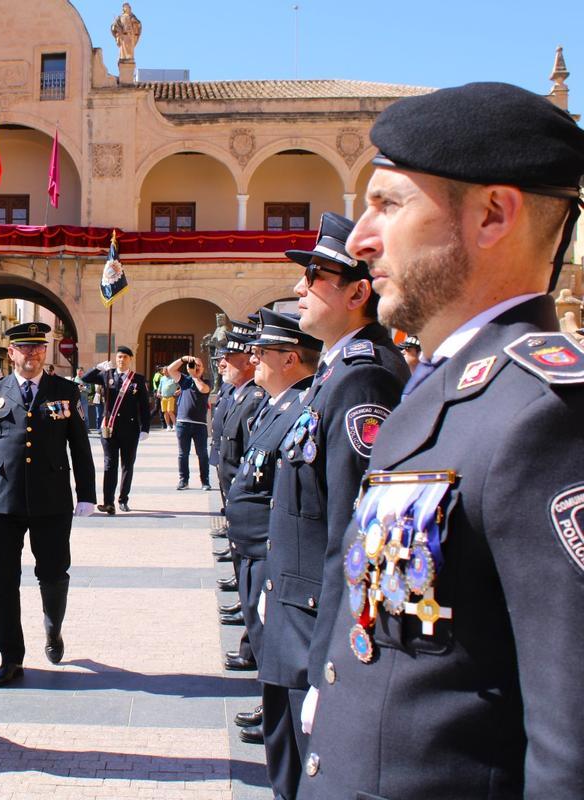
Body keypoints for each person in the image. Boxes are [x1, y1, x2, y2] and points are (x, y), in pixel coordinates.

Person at [299, 83, 584, 799]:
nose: (361, 240)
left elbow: (571, 746)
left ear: (492, 214)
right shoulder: (442, 386)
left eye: (389, 204)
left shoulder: (544, 416)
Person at [259, 213, 408, 800]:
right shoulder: (335, 372)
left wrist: (331, 666)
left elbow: (355, 534)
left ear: (357, 292)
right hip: (296, 620)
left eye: (315, 277)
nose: (300, 288)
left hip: (315, 635)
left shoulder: (362, 381)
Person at [0, 322, 96, 687]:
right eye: (24, 348)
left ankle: (52, 627)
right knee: (2, 580)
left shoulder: (65, 391)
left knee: (54, 573)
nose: (31, 354)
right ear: (10, 352)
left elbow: (80, 445)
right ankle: (10, 656)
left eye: (37, 348)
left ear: (45, 352)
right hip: (1, 501)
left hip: (52, 499)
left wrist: (87, 493)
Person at [224, 309, 322, 747]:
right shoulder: (276, 405)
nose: (253, 357)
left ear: (291, 359)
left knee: (273, 648)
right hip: (251, 549)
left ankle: (276, 717)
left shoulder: (302, 407)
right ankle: (271, 709)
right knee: (265, 646)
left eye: (263, 351)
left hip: (268, 552)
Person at [211, 328, 266, 675]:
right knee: (243, 573)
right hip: (233, 492)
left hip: (244, 497)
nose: (223, 364)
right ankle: (248, 630)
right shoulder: (237, 394)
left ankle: (251, 646)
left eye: (229, 358)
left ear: (248, 361)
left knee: (253, 579)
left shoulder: (255, 399)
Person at [83, 346, 150, 514]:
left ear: (130, 359)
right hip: (109, 428)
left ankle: (123, 499)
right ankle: (108, 502)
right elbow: (85, 378)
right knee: (109, 465)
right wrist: (97, 368)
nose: (121, 360)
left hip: (130, 428)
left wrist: (145, 428)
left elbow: (144, 406)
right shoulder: (107, 375)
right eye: (119, 357)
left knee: (127, 465)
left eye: (125, 357)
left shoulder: (138, 380)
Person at [165, 355, 211, 490]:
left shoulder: (206, 381)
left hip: (200, 425)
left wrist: (195, 376)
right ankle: (183, 480)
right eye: (194, 365)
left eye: (199, 366)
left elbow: (203, 390)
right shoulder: (184, 380)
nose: (196, 368)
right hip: (182, 423)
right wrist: (183, 359)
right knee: (183, 453)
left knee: (202, 453)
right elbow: (170, 369)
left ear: (203, 368)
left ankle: (205, 481)